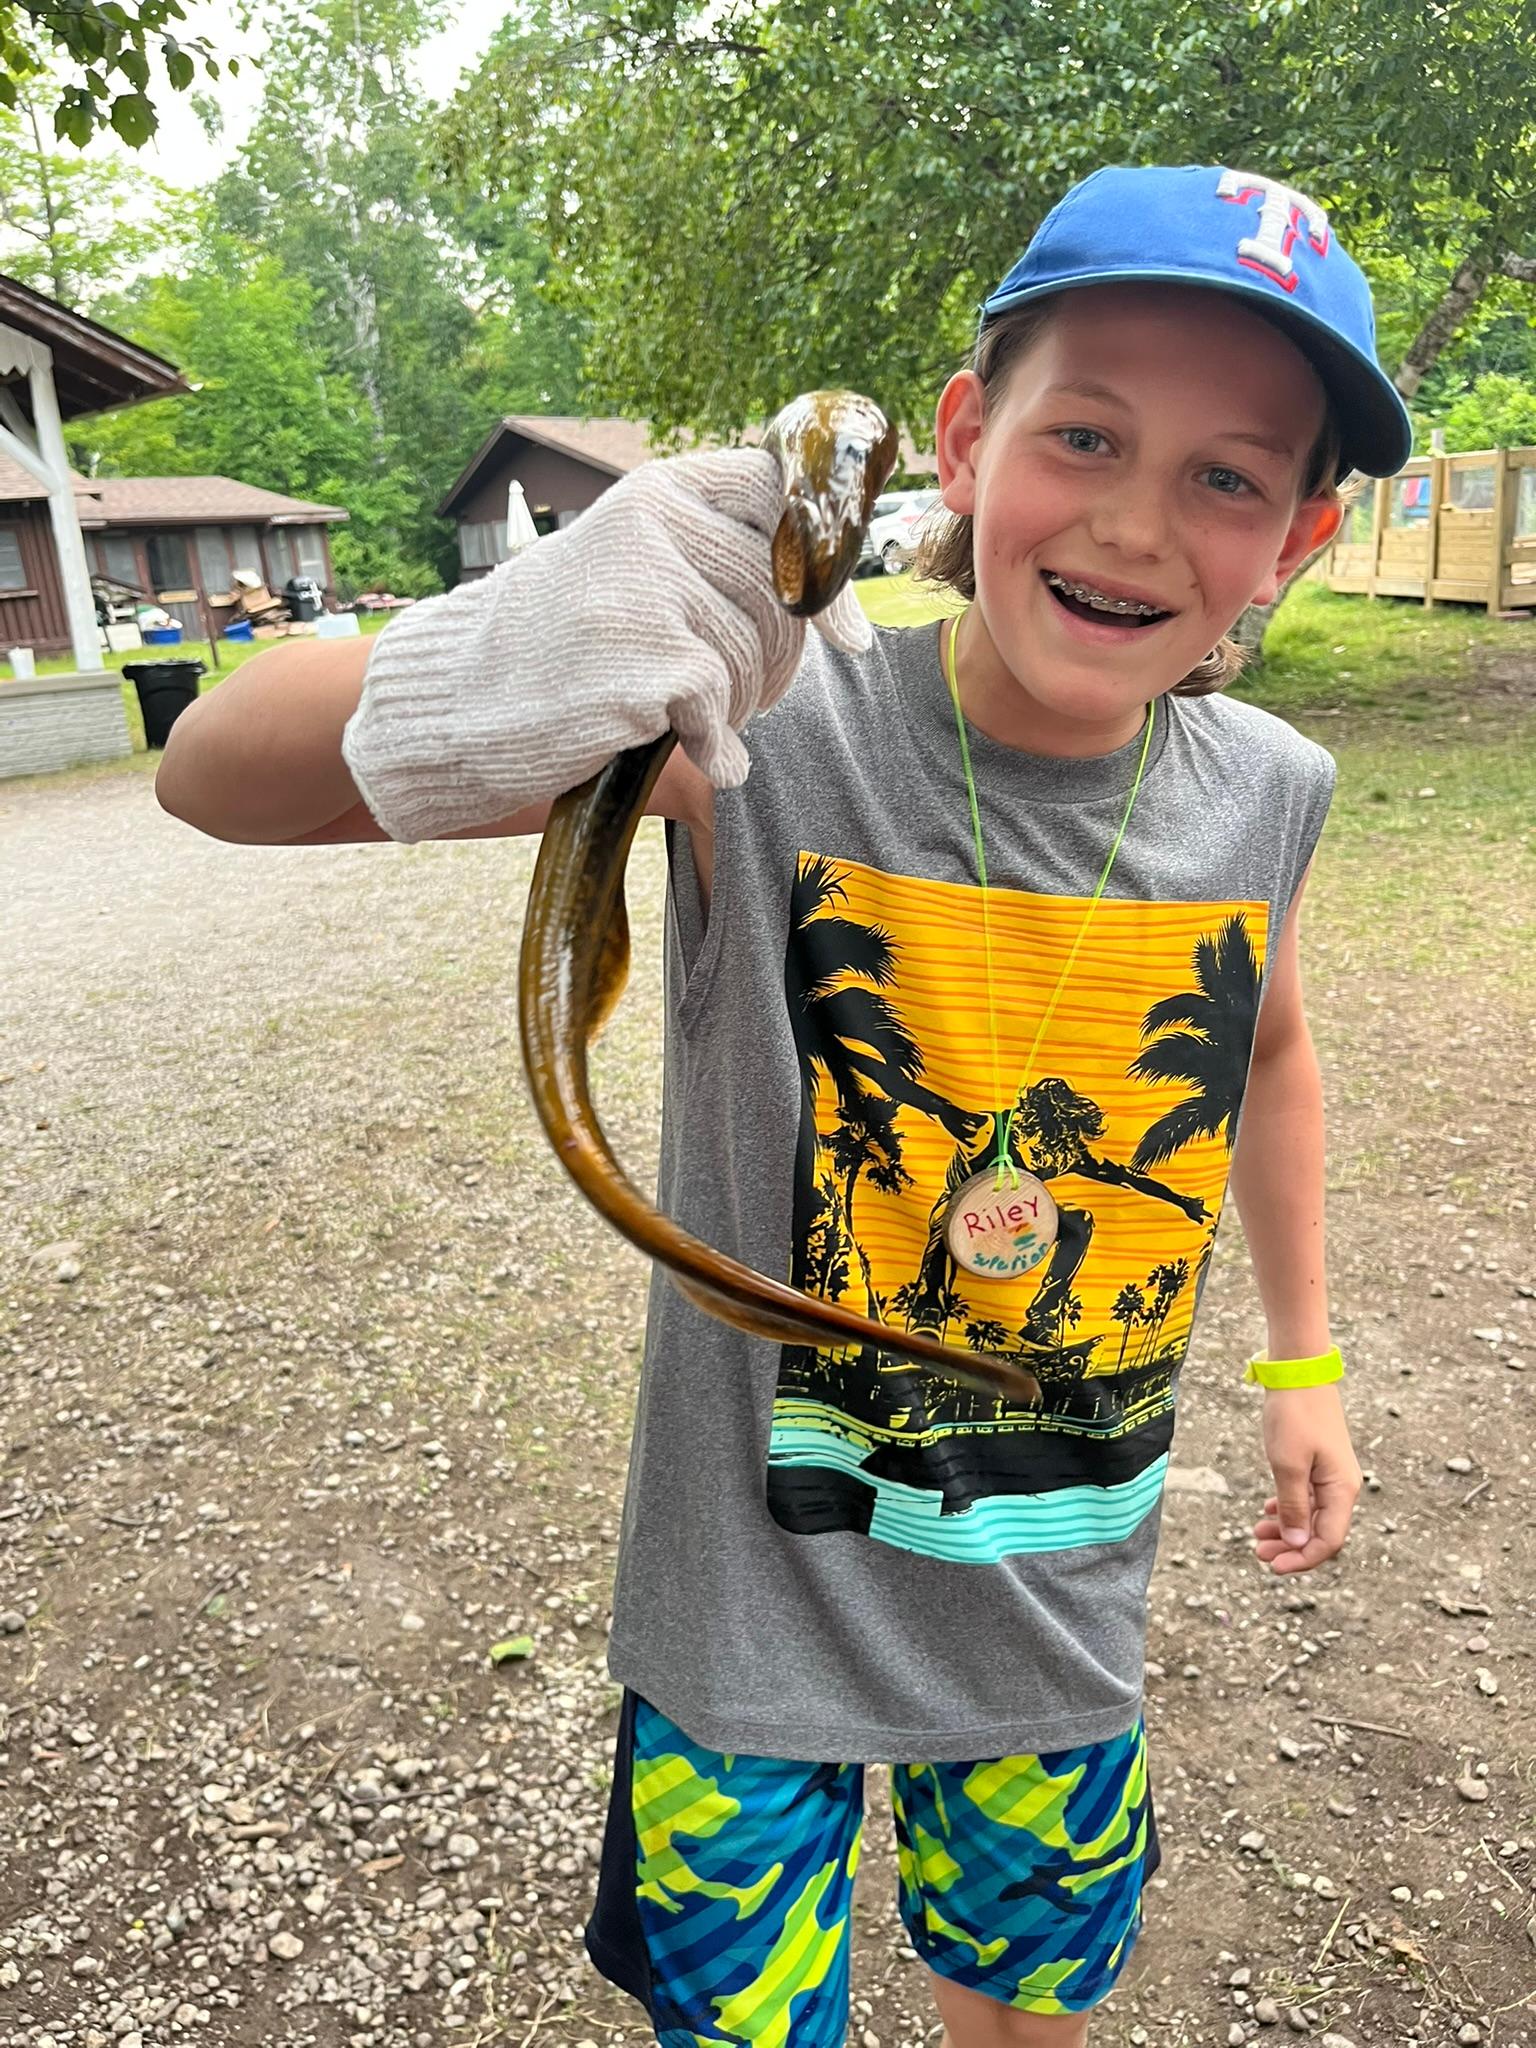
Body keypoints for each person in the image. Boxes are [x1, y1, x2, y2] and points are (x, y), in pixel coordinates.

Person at [158, 164, 1407, 2048]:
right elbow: (207, 777)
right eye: (1089, 436)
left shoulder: (1271, 788)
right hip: (747, 1624)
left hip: (1055, 1603)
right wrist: (530, 648)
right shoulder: (752, 724)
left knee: (1026, 2007)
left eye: (1229, 478)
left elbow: (1274, 1050)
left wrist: (1302, 1361)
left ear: (1298, 538)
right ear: (972, 443)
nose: (1143, 523)